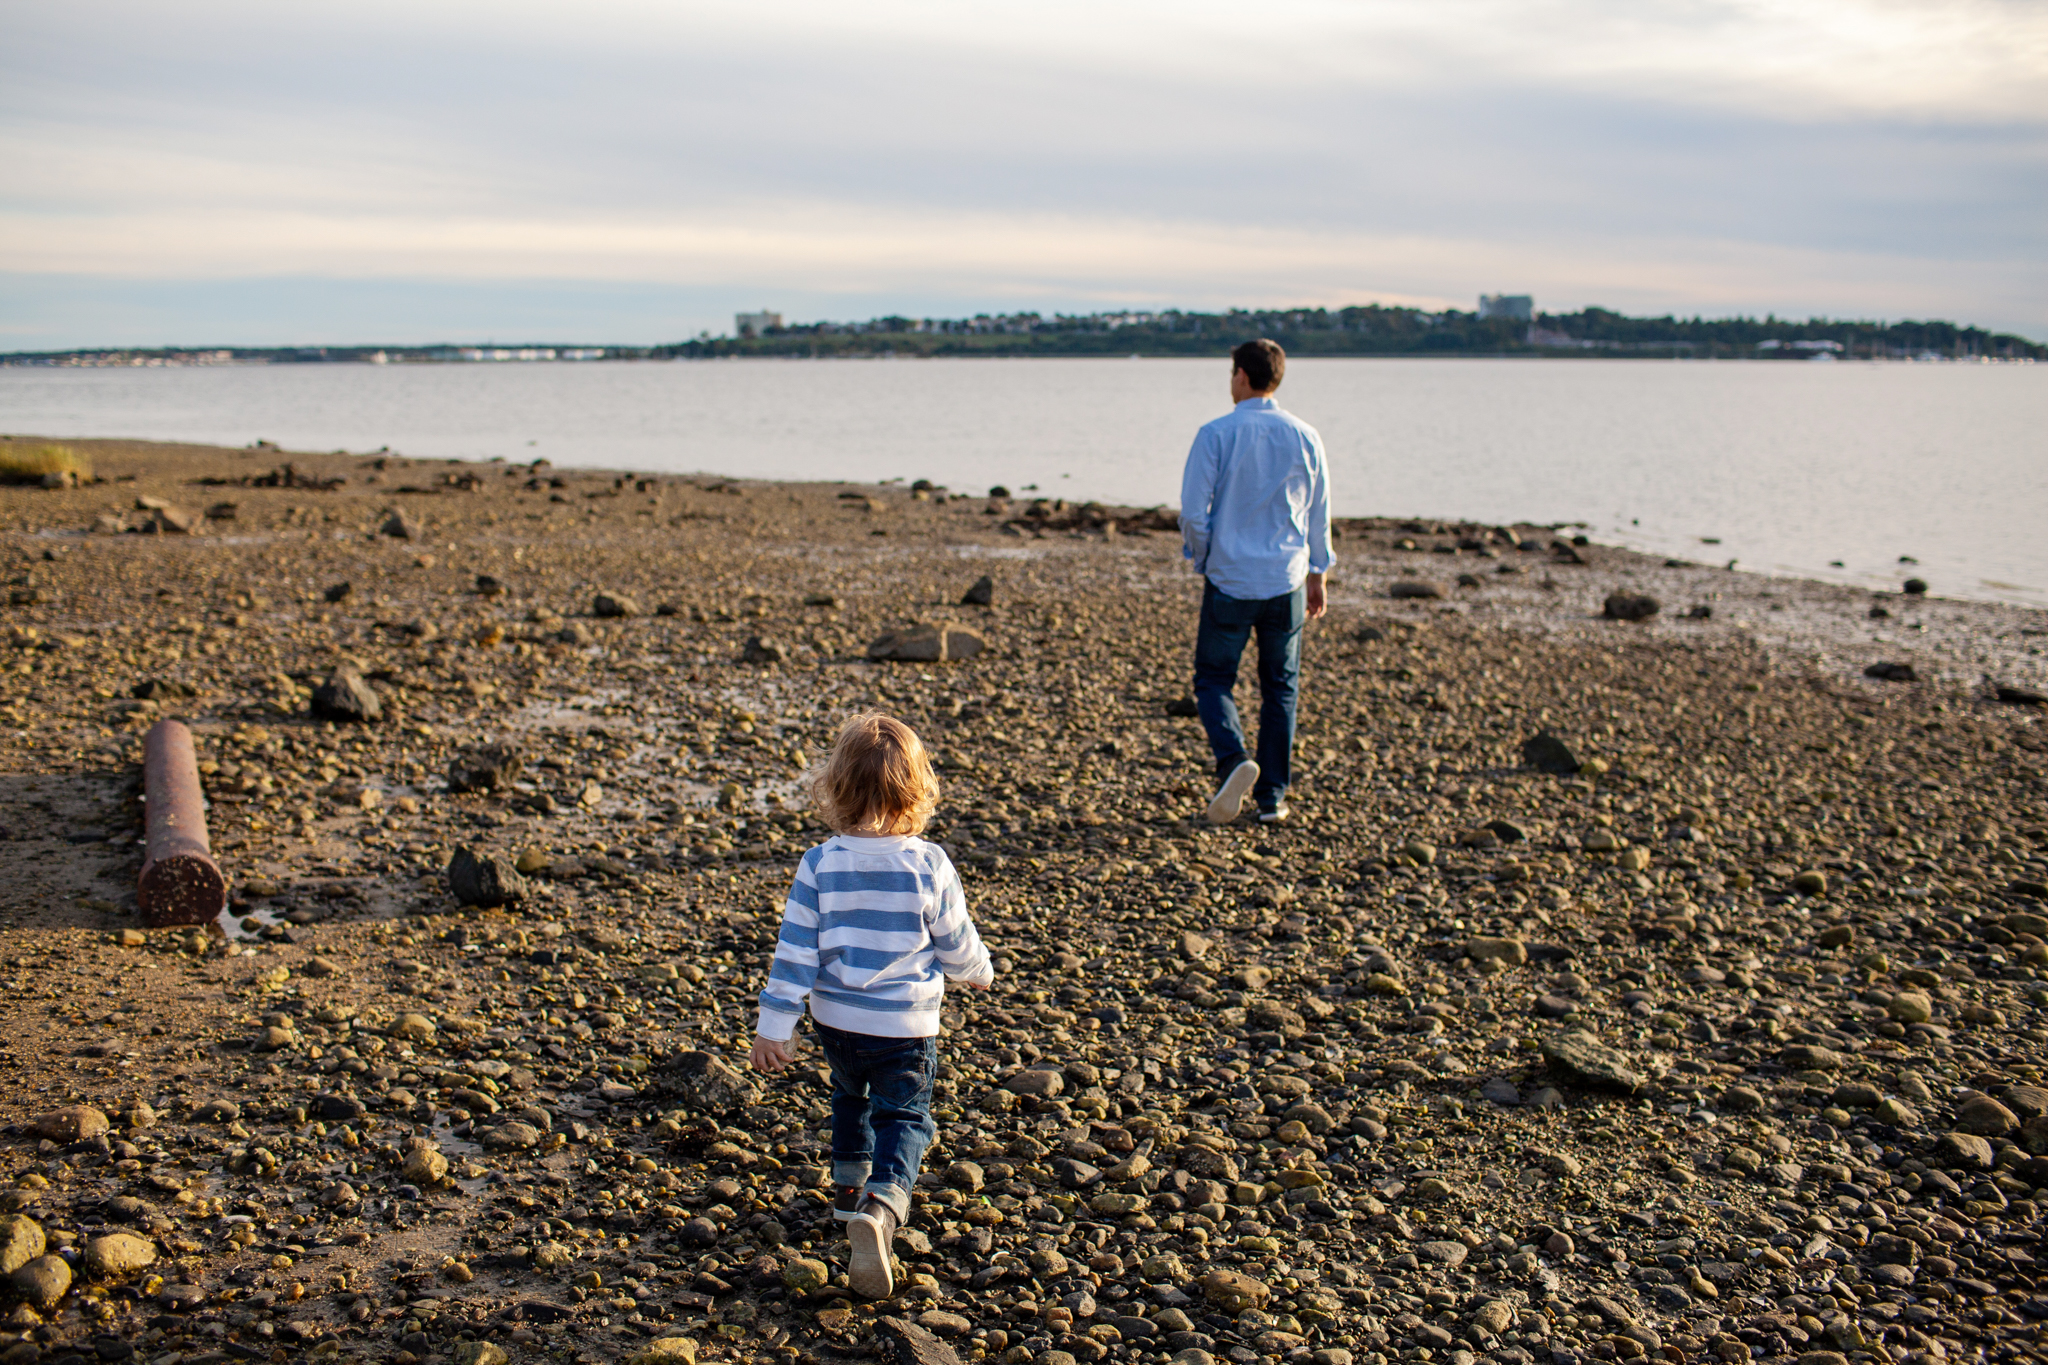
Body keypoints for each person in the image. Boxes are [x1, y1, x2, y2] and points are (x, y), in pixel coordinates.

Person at [749, 712, 994, 1299]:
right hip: (903, 1027)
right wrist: (977, 973)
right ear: (916, 788)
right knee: (904, 1116)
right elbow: (955, 941)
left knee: (849, 1093)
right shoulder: (928, 863)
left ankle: (845, 1190)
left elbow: (794, 953)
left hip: (836, 1022)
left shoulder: (820, 863)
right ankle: (880, 1206)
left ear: (837, 787)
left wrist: (773, 1027)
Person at [1179, 337, 1332, 825]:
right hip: (1286, 578)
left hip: (1230, 577)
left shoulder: (1216, 433)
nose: (1231, 381)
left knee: (1213, 680)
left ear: (1242, 375)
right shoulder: (1306, 436)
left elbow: (1192, 513)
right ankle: (1272, 799)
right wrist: (1318, 573)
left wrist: (1204, 558)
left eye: (1232, 373)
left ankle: (1233, 759)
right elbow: (1318, 512)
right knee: (1280, 687)